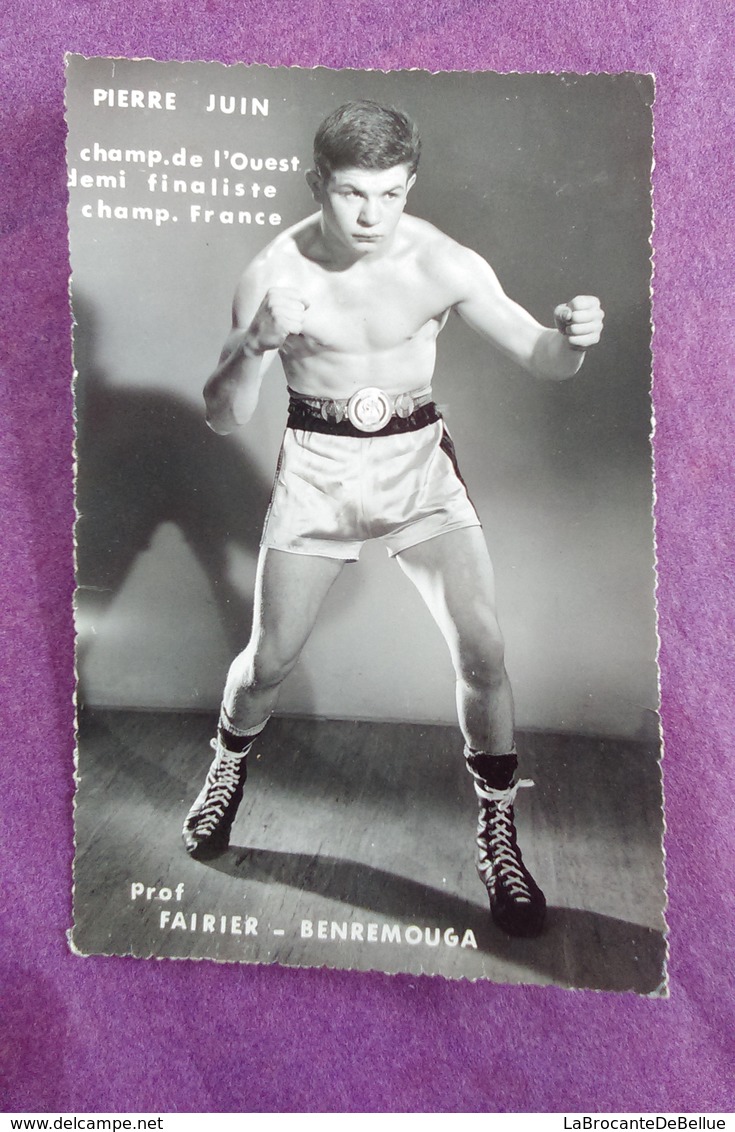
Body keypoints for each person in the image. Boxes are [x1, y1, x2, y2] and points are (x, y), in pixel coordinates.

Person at [182, 101, 604, 938]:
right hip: (320, 471)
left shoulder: (441, 261)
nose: (372, 216)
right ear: (317, 184)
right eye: (350, 194)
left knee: (483, 650)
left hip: (416, 467)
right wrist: (258, 343)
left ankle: (497, 835)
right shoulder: (274, 270)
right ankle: (225, 771)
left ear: (409, 184)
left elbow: (539, 358)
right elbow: (224, 415)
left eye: (390, 194)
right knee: (267, 662)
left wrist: (574, 338)